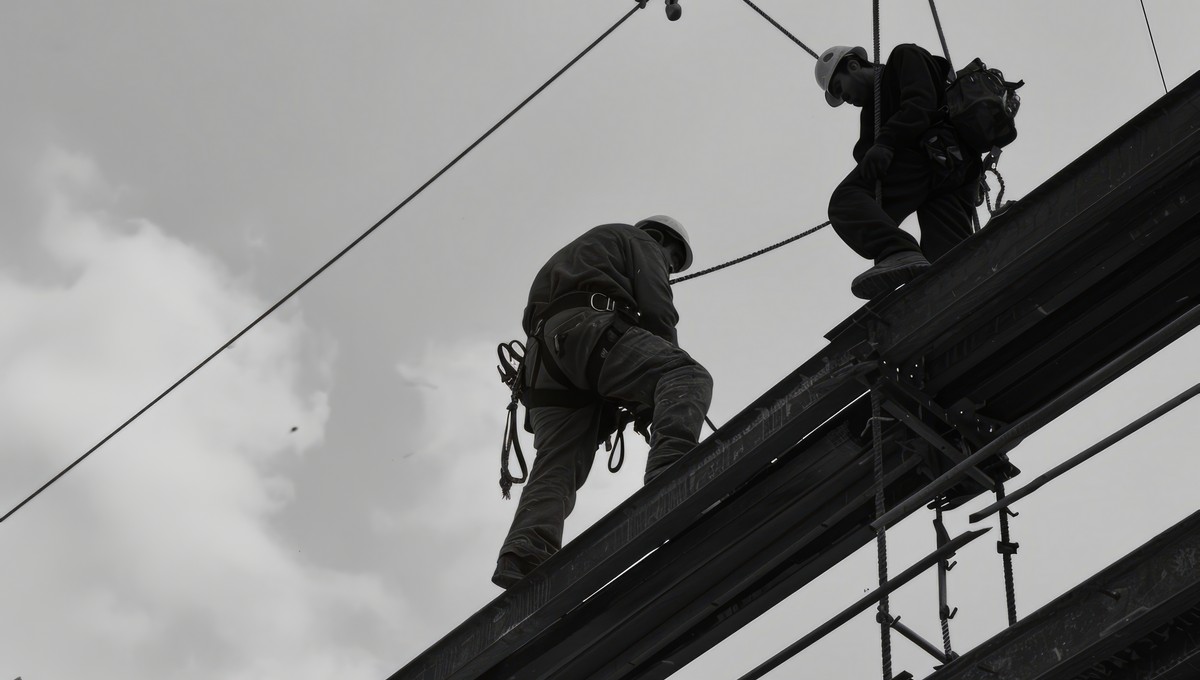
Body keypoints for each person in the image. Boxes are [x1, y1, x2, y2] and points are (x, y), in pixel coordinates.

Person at [492, 216, 713, 589]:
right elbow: (658, 308)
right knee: (687, 376)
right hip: (585, 332)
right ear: (658, 237)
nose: (670, 268)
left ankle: (525, 552)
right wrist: (660, 385)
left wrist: (645, 403)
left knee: (559, 464)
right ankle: (673, 473)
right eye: (671, 260)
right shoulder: (635, 239)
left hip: (544, 365)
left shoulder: (585, 256)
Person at [815, 44, 983, 299]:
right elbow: (865, 153)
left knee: (846, 201)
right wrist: (876, 148)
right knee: (950, 265)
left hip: (936, 155)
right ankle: (970, 300)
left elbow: (921, 103)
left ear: (853, 65)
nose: (844, 99)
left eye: (840, 88)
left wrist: (885, 143)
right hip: (946, 172)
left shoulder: (904, 57)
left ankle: (897, 251)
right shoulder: (871, 113)